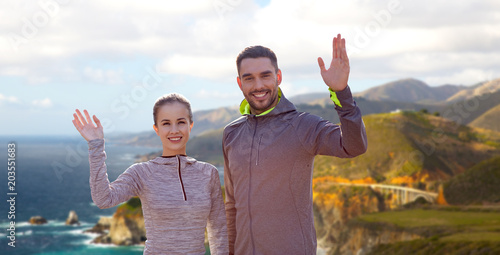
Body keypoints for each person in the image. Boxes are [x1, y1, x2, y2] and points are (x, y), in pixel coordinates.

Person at [222, 34, 368, 254]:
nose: (258, 85)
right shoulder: (232, 133)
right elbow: (232, 205)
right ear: (239, 82)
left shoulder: (303, 125)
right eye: (249, 78)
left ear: (278, 77)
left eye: (265, 75)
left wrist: (341, 93)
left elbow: (354, 146)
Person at [72, 93, 228, 254]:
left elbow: (218, 230)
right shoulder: (141, 172)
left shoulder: (209, 173)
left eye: (181, 122)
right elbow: (103, 199)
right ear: (156, 129)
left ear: (190, 125)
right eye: (166, 123)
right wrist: (96, 146)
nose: (174, 130)